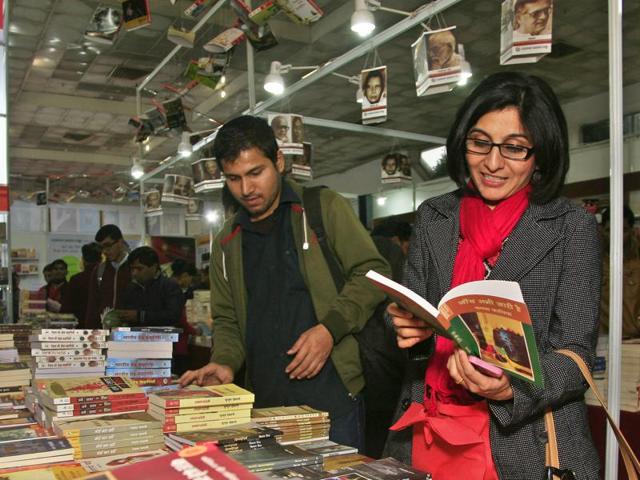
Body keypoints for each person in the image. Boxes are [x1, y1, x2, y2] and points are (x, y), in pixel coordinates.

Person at [384, 72, 601, 479]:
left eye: (515, 148)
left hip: (524, 442)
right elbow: (411, 303)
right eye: (480, 143)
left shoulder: (570, 226)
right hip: (431, 426)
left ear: (541, 154)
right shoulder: (436, 217)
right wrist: (404, 324)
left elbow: (577, 355)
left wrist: (511, 389)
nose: (493, 163)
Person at [179, 115, 390, 450]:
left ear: (278, 161)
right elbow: (227, 319)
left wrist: (329, 329)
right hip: (264, 406)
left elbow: (373, 273)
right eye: (233, 179)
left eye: (255, 173)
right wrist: (225, 361)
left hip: (333, 399)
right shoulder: (226, 242)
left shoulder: (323, 208)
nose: (246, 190)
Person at [600, 205, 640, 338]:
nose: (615, 237)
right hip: (602, 342)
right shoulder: (592, 264)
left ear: (632, 232)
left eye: (623, 230)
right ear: (601, 231)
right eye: (609, 230)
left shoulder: (637, 265)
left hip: (634, 340)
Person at [118, 246, 183, 327]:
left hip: (162, 337)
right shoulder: (130, 288)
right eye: (132, 269)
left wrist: (140, 316)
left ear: (154, 267)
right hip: (134, 338)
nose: (134, 273)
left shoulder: (170, 286)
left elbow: (173, 316)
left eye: (139, 269)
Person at [85, 225, 132, 329]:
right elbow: (93, 307)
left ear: (120, 242)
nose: (105, 251)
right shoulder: (99, 271)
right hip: (104, 334)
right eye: (102, 248)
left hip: (131, 335)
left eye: (108, 245)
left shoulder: (135, 268)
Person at [170, 259, 201, 375]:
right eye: (189, 277)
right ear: (184, 276)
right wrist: (194, 330)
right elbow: (181, 319)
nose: (190, 280)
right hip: (178, 344)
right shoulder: (176, 292)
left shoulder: (168, 288)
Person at [61, 242, 102, 328]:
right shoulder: (107, 279)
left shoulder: (76, 280)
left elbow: (66, 310)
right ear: (101, 260)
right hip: (102, 327)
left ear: (83, 260)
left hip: (80, 328)